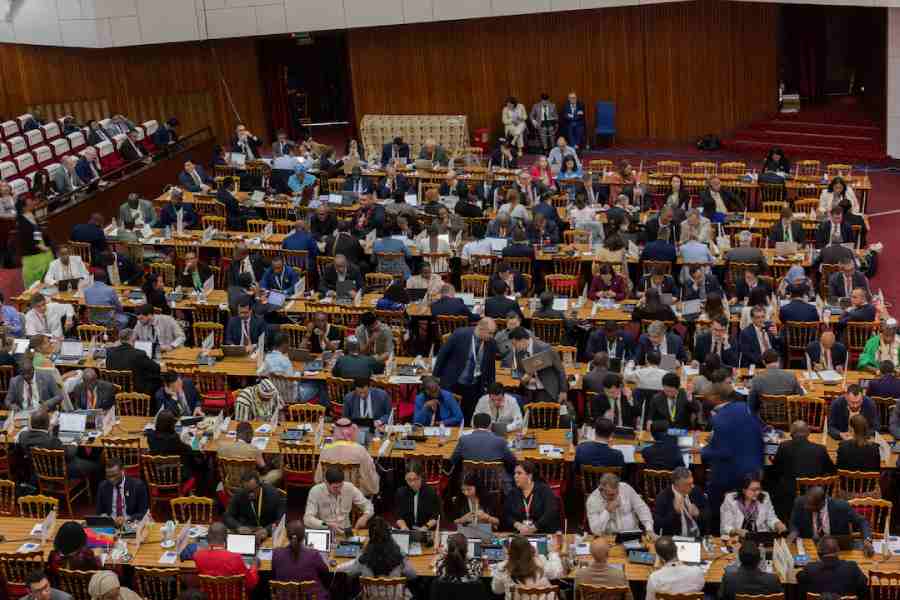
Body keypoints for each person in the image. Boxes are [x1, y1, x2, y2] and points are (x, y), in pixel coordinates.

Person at [433, 318, 498, 420]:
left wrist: (492, 389)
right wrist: (435, 377)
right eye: (490, 333)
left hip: (474, 386)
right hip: (453, 382)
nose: (492, 336)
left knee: (468, 416)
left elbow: (491, 368)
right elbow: (442, 355)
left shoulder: (491, 344)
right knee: (448, 415)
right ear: (481, 328)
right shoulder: (459, 335)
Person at [336, 516, 418, 595]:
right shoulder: (398, 554)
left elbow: (351, 573)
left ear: (370, 535)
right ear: (388, 534)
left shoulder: (364, 557)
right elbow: (412, 575)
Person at [770, 420, 835, 518]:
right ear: (808, 433)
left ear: (791, 433)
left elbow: (775, 470)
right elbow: (832, 471)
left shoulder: (784, 447)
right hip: (814, 495)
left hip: (789, 496)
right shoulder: (820, 449)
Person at [18, 410, 100, 479]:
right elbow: (70, 454)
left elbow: (41, 437)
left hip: (39, 469)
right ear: (47, 424)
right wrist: (75, 442)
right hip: (59, 470)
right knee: (97, 466)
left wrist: (52, 426)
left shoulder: (23, 436)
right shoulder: (52, 441)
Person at [788, 487, 873, 549]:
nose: (806, 507)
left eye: (810, 505)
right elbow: (794, 523)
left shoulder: (841, 507)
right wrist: (794, 531)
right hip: (810, 547)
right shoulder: (800, 503)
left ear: (821, 503)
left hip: (836, 549)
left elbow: (862, 521)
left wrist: (867, 539)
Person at [505, 327, 569, 407]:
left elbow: (560, 370)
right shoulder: (518, 352)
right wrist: (525, 378)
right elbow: (518, 371)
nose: (514, 347)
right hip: (528, 390)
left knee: (538, 413)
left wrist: (563, 391)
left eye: (514, 344)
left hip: (546, 389)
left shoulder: (545, 348)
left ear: (523, 340)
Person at [314, 418, 379, 496]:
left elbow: (318, 479)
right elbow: (370, 479)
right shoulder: (361, 450)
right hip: (354, 498)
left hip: (331, 496)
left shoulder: (325, 450)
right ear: (351, 431)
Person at [490, 535, 563, 600]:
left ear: (510, 551)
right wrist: (553, 553)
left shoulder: (502, 567)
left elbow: (497, 590)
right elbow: (557, 573)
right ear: (531, 550)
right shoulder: (540, 562)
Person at [450, 412, 516, 483]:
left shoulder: (463, 440)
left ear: (473, 425)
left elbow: (453, 460)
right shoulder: (500, 441)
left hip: (470, 482)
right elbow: (512, 461)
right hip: (493, 482)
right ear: (490, 426)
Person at [193, 522, 259, 592]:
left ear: (207, 536)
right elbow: (251, 583)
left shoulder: (197, 555)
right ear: (226, 537)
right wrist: (254, 566)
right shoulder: (235, 557)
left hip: (209, 596)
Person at [796, 536, 869, 599]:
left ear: (818, 554)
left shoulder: (810, 568)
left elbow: (799, 577)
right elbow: (864, 582)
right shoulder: (852, 567)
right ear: (838, 551)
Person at [272, 521, 330, 599]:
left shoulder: (276, 554)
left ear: (287, 536)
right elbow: (326, 573)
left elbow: (274, 574)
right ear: (304, 537)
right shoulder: (313, 554)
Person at [304, 465, 374, 531]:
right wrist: (326, 525)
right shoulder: (315, 491)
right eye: (335, 488)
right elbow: (307, 519)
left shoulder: (349, 487)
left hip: (345, 529)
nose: (339, 490)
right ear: (326, 482)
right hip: (325, 530)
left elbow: (368, 505)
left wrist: (365, 516)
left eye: (341, 486)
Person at [223, 471, 287, 542]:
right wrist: (238, 527)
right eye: (247, 491)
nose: (251, 494)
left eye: (253, 491)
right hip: (247, 535)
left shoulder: (273, 494)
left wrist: (267, 530)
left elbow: (282, 519)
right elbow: (227, 516)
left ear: (260, 486)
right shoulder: (239, 494)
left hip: (267, 536)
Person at [586, 472, 653, 535]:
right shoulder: (592, 500)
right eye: (611, 495)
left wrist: (649, 529)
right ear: (601, 489)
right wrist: (607, 511)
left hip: (632, 534)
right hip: (608, 538)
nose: (615, 497)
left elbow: (642, 508)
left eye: (617, 492)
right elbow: (596, 530)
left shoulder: (625, 488)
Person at [502, 461, 560, 533]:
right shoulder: (513, 493)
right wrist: (517, 525)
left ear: (529, 476)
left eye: (519, 473)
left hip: (542, 532)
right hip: (520, 534)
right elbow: (506, 515)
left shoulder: (544, 490)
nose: (515, 476)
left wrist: (535, 527)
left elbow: (550, 512)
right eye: (515, 473)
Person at [719, 473, 784, 537]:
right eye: (753, 490)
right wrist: (736, 531)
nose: (757, 492)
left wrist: (777, 524)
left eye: (759, 489)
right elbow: (725, 527)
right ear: (744, 490)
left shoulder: (765, 497)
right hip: (737, 539)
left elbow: (771, 518)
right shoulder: (730, 499)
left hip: (760, 538)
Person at [218, 421, 281, 486]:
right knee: (278, 472)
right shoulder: (254, 450)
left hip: (231, 482)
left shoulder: (222, 448)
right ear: (249, 434)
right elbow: (264, 470)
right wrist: (271, 462)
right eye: (252, 435)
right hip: (250, 485)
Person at [718, 540, 783, 600]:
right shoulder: (773, 580)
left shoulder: (728, 578)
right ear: (759, 560)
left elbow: (721, 597)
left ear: (740, 559)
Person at [653, 466, 708, 536]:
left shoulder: (696, 491)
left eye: (692, 483)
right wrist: (675, 513)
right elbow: (658, 526)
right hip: (676, 539)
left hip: (698, 536)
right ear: (677, 484)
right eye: (688, 484)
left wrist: (698, 514)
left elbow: (708, 514)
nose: (692, 486)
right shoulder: (663, 497)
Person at [95, 458, 149, 524]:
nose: (111, 479)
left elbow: (143, 513)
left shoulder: (138, 486)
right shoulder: (103, 486)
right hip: (110, 524)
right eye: (108, 476)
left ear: (122, 471)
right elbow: (99, 512)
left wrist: (127, 518)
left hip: (130, 523)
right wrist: (103, 516)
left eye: (114, 475)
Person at [17, 195, 54, 288]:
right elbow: (26, 238)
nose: (33, 204)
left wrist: (40, 242)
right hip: (31, 253)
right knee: (35, 279)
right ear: (24, 207)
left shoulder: (31, 214)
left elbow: (35, 230)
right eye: (30, 203)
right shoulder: (21, 221)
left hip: (39, 245)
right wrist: (38, 245)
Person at [395, 460, 440, 530]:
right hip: (408, 527)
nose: (412, 484)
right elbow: (398, 515)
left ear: (421, 477)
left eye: (416, 479)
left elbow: (435, 516)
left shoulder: (431, 492)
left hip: (426, 527)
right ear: (405, 478)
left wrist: (425, 527)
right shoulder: (400, 492)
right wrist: (403, 526)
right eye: (409, 480)